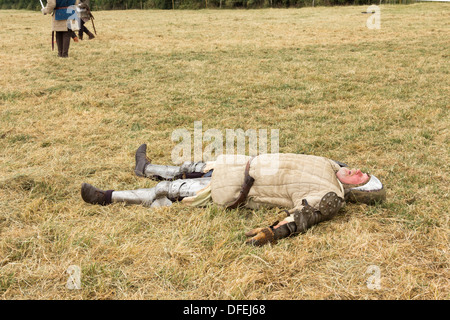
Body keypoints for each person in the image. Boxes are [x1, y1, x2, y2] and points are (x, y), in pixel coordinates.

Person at [81, 144, 386, 246]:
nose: (358, 171)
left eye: (362, 178)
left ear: (355, 189)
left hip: (240, 188)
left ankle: (106, 196)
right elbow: (339, 165)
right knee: (190, 167)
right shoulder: (330, 166)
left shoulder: (331, 194)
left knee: (169, 190)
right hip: (242, 164)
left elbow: (307, 215)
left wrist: (276, 231)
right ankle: (145, 168)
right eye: (363, 171)